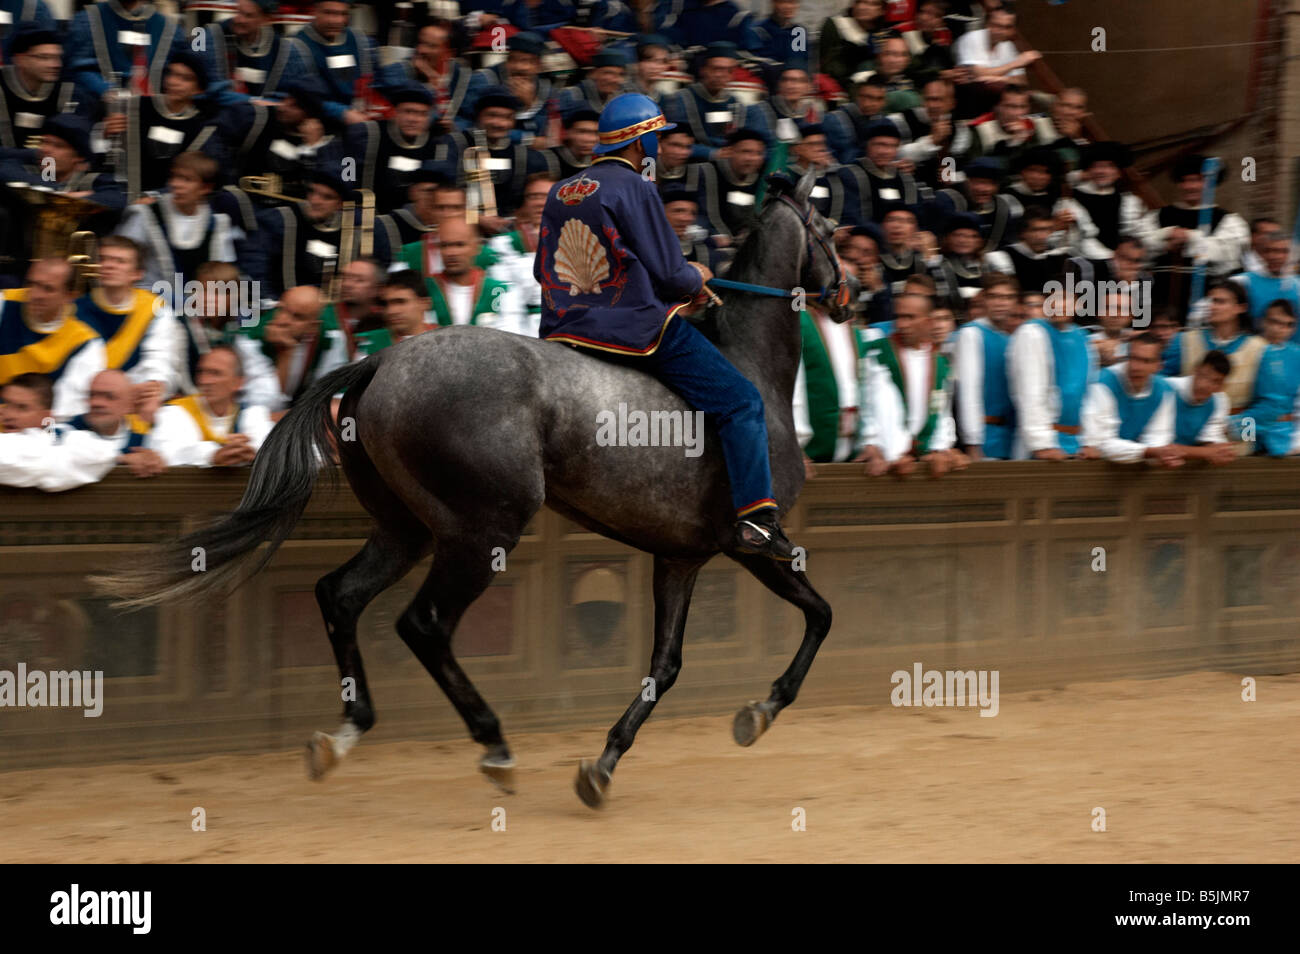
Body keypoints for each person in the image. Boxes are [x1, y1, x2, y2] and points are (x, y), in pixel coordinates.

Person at [535, 93, 797, 560]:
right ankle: (757, 518)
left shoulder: (562, 189)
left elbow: (543, 269)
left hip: (564, 325)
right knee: (742, 401)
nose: (658, 144)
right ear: (641, 142)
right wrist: (693, 277)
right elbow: (669, 272)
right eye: (656, 136)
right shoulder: (635, 187)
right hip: (632, 329)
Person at [854, 291, 962, 477]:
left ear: (928, 321)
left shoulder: (940, 363)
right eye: (899, 317)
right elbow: (880, 407)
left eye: (910, 317)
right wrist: (896, 452)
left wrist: (940, 448)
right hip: (885, 459)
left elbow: (941, 412)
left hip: (921, 462)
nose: (902, 324)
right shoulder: (880, 353)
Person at [0, 258, 105, 420]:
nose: (35, 294)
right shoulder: (4, 303)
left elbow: (64, 414)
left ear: (69, 296)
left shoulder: (86, 345)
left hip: (34, 435)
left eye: (47, 289)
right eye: (32, 284)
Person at [1007, 280, 1098, 460]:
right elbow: (1030, 394)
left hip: (1077, 443)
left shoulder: (1084, 338)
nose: (1058, 304)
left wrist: (1091, 440)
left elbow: (1091, 393)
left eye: (1065, 298)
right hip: (1045, 442)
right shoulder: (1032, 333)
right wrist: (1041, 444)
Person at [151, 344, 273, 466]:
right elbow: (171, 453)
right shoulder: (175, 411)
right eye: (201, 372)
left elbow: (267, 444)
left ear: (238, 382)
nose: (204, 380)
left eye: (215, 373)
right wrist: (214, 455)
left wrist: (250, 451)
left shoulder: (252, 413)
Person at [1082, 333, 1182, 467]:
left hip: (1133, 468)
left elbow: (1158, 438)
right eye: (1133, 358)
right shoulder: (1102, 382)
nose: (1136, 367)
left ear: (1159, 366)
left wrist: (1158, 452)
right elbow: (1102, 444)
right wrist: (1149, 452)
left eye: (1146, 361)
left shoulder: (1165, 390)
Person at [954, 272, 1019, 459]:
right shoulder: (971, 334)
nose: (1001, 303)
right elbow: (968, 391)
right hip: (984, 440)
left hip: (1009, 438)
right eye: (994, 296)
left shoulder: (1012, 338)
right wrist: (973, 442)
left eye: (1007, 297)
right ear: (984, 299)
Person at [1230, 302, 1300, 457]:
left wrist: (1234, 426)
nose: (1281, 328)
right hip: (1247, 429)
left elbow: (1275, 407)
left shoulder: (1295, 354)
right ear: (1263, 321)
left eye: (1289, 324)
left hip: (1282, 439)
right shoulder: (1245, 347)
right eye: (1276, 322)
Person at [1168, 350, 1235, 464]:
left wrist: (1222, 451)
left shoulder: (1219, 401)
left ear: (1221, 386)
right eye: (1203, 376)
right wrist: (1207, 452)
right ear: (1195, 370)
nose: (1204, 385)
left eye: (1215, 381)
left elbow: (1212, 442)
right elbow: (1160, 448)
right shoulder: (1168, 388)